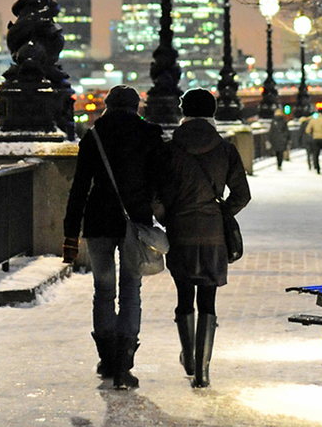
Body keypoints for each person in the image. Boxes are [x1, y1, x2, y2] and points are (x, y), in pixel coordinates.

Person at [62, 84, 166, 391]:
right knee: (131, 289)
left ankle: (107, 359)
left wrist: (70, 232)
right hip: (135, 222)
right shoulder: (149, 135)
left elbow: (79, 187)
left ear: (107, 105)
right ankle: (124, 365)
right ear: (136, 107)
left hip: (98, 222)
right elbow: (160, 181)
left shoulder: (94, 135)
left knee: (104, 289)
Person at [161, 87, 251, 389]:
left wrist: (168, 217)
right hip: (213, 234)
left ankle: (188, 357)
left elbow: (156, 195)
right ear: (213, 113)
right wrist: (223, 212)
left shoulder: (170, 148)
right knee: (208, 300)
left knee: (184, 296)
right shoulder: (225, 149)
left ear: (183, 112)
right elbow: (242, 194)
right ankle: (202, 372)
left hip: (180, 232)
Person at [304, 104, 322, 173]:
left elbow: (307, 130)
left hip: (316, 139)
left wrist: (312, 134)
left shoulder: (313, 121)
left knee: (316, 154)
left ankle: (317, 168)